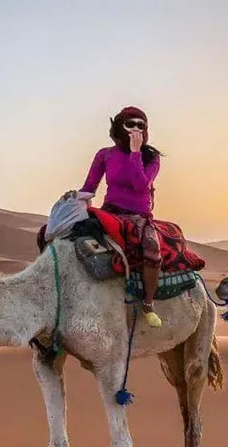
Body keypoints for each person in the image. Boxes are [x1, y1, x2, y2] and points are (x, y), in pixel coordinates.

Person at [79, 106, 164, 328]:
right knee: (75, 237)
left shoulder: (151, 158)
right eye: (130, 124)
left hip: (139, 216)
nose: (136, 129)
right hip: (111, 210)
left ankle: (147, 304)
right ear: (119, 127)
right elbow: (90, 186)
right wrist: (75, 198)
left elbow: (140, 185)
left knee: (152, 249)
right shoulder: (105, 155)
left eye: (141, 125)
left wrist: (136, 153)